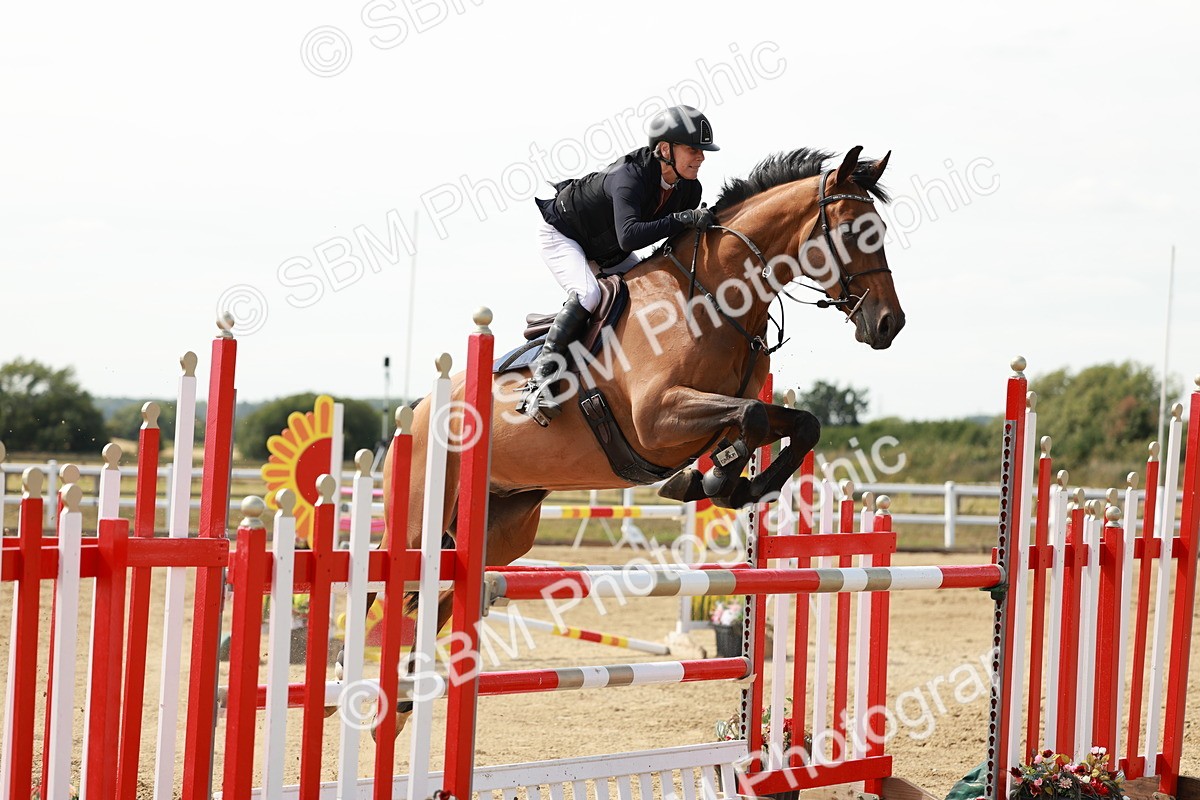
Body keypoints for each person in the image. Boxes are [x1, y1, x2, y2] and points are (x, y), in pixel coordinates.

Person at [518, 105, 720, 425]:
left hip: (609, 249)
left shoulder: (689, 190)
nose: (701, 158)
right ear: (665, 149)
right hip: (565, 235)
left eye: (703, 151)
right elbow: (630, 236)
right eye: (693, 149)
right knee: (588, 295)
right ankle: (540, 380)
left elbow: (667, 240)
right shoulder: (631, 177)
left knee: (648, 291)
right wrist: (681, 219)